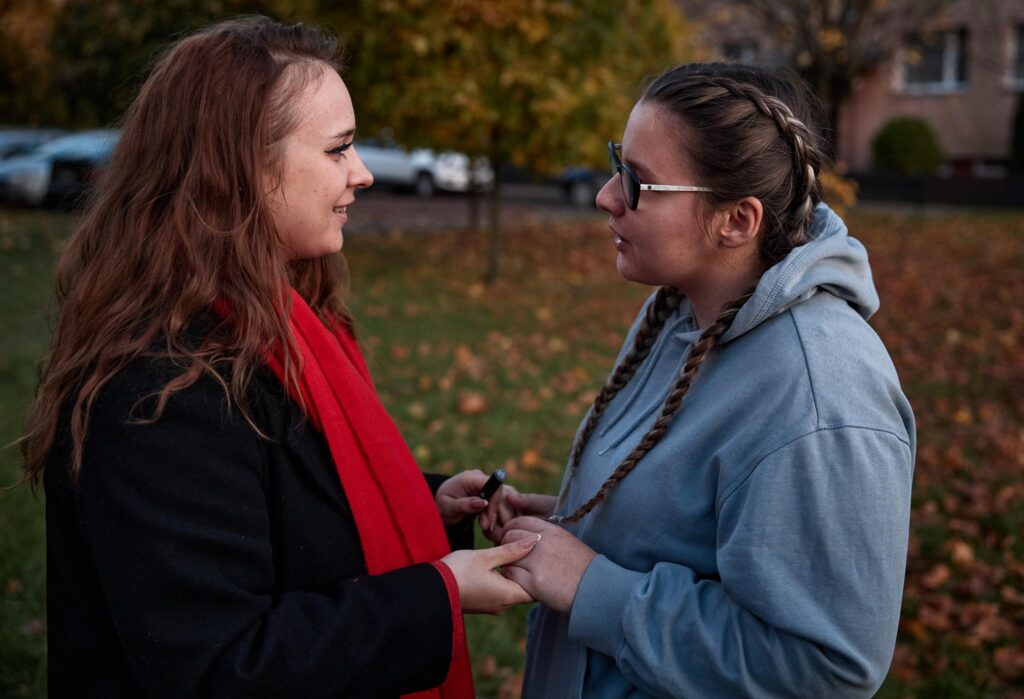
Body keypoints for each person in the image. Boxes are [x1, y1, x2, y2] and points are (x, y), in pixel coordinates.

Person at [19, 17, 537, 698]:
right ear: (241, 168)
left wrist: (420, 505)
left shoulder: (274, 323)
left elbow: (265, 502)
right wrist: (435, 594)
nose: (363, 173)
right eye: (338, 149)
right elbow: (219, 665)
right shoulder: (159, 387)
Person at [499, 62, 916, 697]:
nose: (606, 196)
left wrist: (593, 589)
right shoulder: (682, 314)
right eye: (617, 163)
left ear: (737, 221)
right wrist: (581, 523)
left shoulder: (819, 396)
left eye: (637, 181)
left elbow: (824, 667)